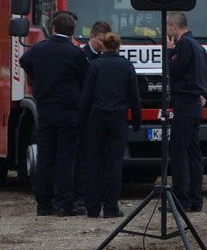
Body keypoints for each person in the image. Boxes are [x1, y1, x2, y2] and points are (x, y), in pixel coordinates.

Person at [18, 11, 89, 216]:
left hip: (46, 108)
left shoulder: (40, 49)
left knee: (46, 156)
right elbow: (84, 77)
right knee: (66, 157)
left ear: (54, 28)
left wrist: (36, 78)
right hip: (68, 109)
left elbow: (24, 61)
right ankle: (64, 202)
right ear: (72, 31)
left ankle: (44, 203)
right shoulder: (75, 53)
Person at [78, 32, 142, 218]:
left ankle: (92, 207)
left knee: (93, 163)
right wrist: (137, 121)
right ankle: (111, 207)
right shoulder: (126, 66)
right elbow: (134, 97)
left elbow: (86, 97)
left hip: (96, 119)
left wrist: (80, 122)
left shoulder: (95, 66)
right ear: (118, 46)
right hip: (118, 119)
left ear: (103, 46)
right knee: (113, 164)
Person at [166, 11, 207, 213]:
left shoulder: (183, 45)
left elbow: (173, 70)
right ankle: (195, 199)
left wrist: (169, 51)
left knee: (179, 153)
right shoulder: (198, 46)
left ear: (174, 27)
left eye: (167, 27)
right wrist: (203, 92)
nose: (166, 32)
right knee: (193, 153)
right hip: (194, 104)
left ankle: (181, 200)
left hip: (184, 104)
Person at [73, 20, 113, 211]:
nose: (102, 44)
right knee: (85, 158)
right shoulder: (82, 56)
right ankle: (82, 196)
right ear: (91, 38)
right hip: (89, 114)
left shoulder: (108, 57)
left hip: (104, 113)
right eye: (99, 40)